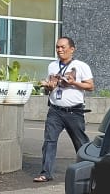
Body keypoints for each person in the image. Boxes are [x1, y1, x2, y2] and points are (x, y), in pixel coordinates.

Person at [34, 37, 94, 182]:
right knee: (49, 141)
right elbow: (52, 87)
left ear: (72, 49)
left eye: (62, 47)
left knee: (81, 143)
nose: (59, 50)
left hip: (74, 111)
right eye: (57, 47)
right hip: (55, 110)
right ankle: (45, 173)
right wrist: (48, 86)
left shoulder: (81, 66)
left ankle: (90, 173)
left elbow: (90, 86)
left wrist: (74, 83)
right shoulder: (52, 66)